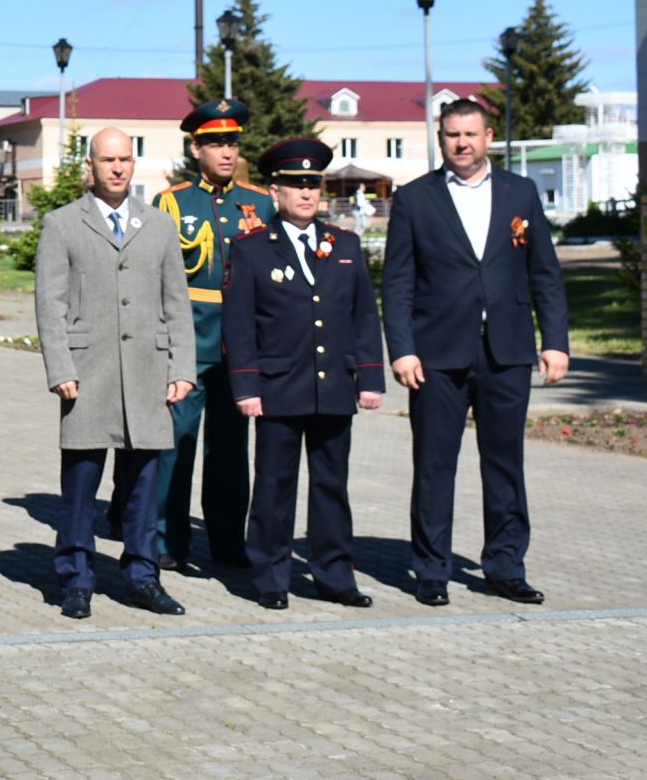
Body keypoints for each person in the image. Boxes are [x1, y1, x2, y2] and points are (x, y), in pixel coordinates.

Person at [382, 99, 569, 607]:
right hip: (438, 356)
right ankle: (432, 570)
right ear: (440, 139)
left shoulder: (521, 193)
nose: (461, 143)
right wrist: (402, 349)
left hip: (506, 352)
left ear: (488, 137)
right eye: (451, 135)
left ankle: (505, 566)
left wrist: (555, 341)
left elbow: (545, 273)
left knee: (505, 464)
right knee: (435, 465)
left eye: (470, 134)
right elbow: (397, 283)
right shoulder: (416, 198)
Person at [34, 128, 196, 621]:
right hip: (88, 374)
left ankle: (143, 578)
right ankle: (76, 579)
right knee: (81, 488)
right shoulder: (62, 224)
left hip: (149, 372)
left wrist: (183, 367)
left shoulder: (159, 225)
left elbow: (177, 302)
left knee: (145, 487)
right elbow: (49, 303)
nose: (118, 168)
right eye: (108, 160)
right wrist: (60, 367)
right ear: (91, 166)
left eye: (125, 159)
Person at [223, 138, 385, 609]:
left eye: (313, 184)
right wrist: (246, 386)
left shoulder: (345, 245)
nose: (307, 194)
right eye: (296, 186)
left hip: (333, 385)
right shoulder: (252, 249)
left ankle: (335, 575)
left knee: (332, 485)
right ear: (276, 193)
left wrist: (370, 378)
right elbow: (240, 325)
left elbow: (363, 318)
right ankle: (271, 577)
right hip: (277, 388)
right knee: (274, 485)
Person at [149, 98, 274, 570]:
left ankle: (227, 541)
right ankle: (166, 539)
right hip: (187, 342)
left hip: (241, 346)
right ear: (196, 148)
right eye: (215, 143)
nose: (226, 152)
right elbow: (159, 276)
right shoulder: (174, 202)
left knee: (230, 448)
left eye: (232, 143)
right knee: (177, 444)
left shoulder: (260, 203)